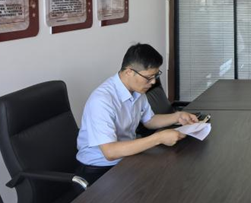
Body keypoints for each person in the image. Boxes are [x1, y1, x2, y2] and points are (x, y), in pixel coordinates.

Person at [76, 43, 200, 184]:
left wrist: (177, 116)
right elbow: (110, 152)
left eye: (155, 75)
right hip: (99, 169)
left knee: (175, 173)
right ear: (129, 72)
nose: (153, 82)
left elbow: (149, 120)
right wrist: (158, 138)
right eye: (149, 77)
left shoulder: (137, 90)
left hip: (127, 158)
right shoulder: (102, 101)